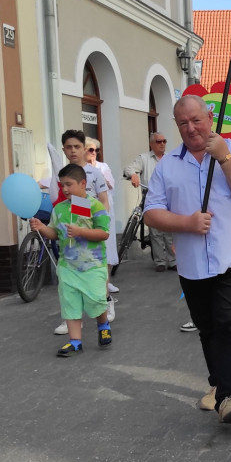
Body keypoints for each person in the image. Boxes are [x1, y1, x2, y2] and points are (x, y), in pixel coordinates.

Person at [143, 95, 231, 423]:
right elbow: (151, 213)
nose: (191, 128)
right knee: (208, 328)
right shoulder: (168, 165)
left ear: (210, 116)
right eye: (183, 123)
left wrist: (223, 158)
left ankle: (229, 398)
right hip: (193, 263)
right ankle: (218, 385)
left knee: (229, 322)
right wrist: (187, 223)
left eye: (196, 120)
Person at [30, 163, 112, 357]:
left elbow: (103, 233)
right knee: (70, 302)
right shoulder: (59, 209)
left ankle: (103, 324)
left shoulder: (94, 206)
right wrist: (42, 227)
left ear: (83, 183)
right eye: (62, 185)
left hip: (92, 265)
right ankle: (75, 341)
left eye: (69, 184)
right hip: (67, 266)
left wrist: (81, 231)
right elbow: (56, 234)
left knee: (97, 300)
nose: (65, 189)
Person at [55, 130, 114, 335]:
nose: (72, 151)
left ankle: (105, 306)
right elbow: (60, 202)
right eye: (68, 147)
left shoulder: (93, 173)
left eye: (77, 147)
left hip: (93, 230)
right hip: (70, 239)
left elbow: (103, 200)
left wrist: (97, 221)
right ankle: (72, 323)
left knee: (96, 279)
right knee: (70, 287)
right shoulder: (61, 172)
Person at [124, 133, 177, 272]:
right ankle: (160, 261)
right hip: (152, 198)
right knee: (156, 232)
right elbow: (129, 169)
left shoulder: (170, 158)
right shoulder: (144, 158)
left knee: (170, 231)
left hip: (169, 198)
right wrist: (134, 175)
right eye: (159, 141)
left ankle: (173, 261)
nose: (162, 144)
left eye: (164, 141)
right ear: (152, 144)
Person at [85, 138, 118, 285]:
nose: (94, 153)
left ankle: (107, 281)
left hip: (105, 210)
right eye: (90, 150)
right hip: (86, 210)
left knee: (108, 244)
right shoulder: (79, 169)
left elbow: (111, 184)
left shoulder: (103, 167)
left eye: (96, 150)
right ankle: (94, 281)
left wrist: (98, 174)